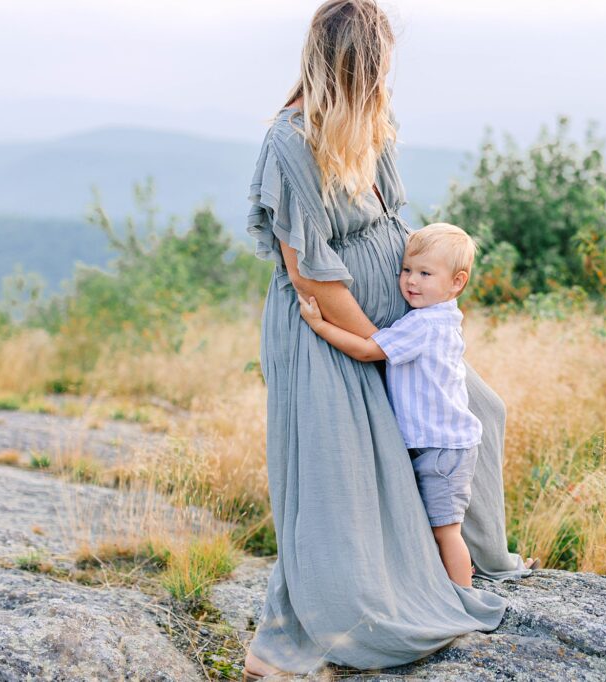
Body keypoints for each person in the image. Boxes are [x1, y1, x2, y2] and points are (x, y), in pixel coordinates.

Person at [242, 1, 533, 679]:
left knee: (478, 410)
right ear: (361, 60)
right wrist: (380, 347)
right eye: (383, 57)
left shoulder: (375, 125)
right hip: (333, 332)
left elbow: (393, 220)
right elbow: (307, 270)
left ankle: (453, 557)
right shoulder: (290, 141)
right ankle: (282, 646)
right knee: (338, 476)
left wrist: (424, 311)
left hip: (399, 328)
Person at [298, 223, 498, 588]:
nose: (411, 281)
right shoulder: (442, 315)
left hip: (443, 449)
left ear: (457, 283)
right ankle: (448, 585)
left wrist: (320, 324)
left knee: (445, 530)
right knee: (436, 526)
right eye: (406, 270)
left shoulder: (424, 324)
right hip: (440, 443)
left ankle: (464, 597)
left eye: (425, 273)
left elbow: (366, 350)